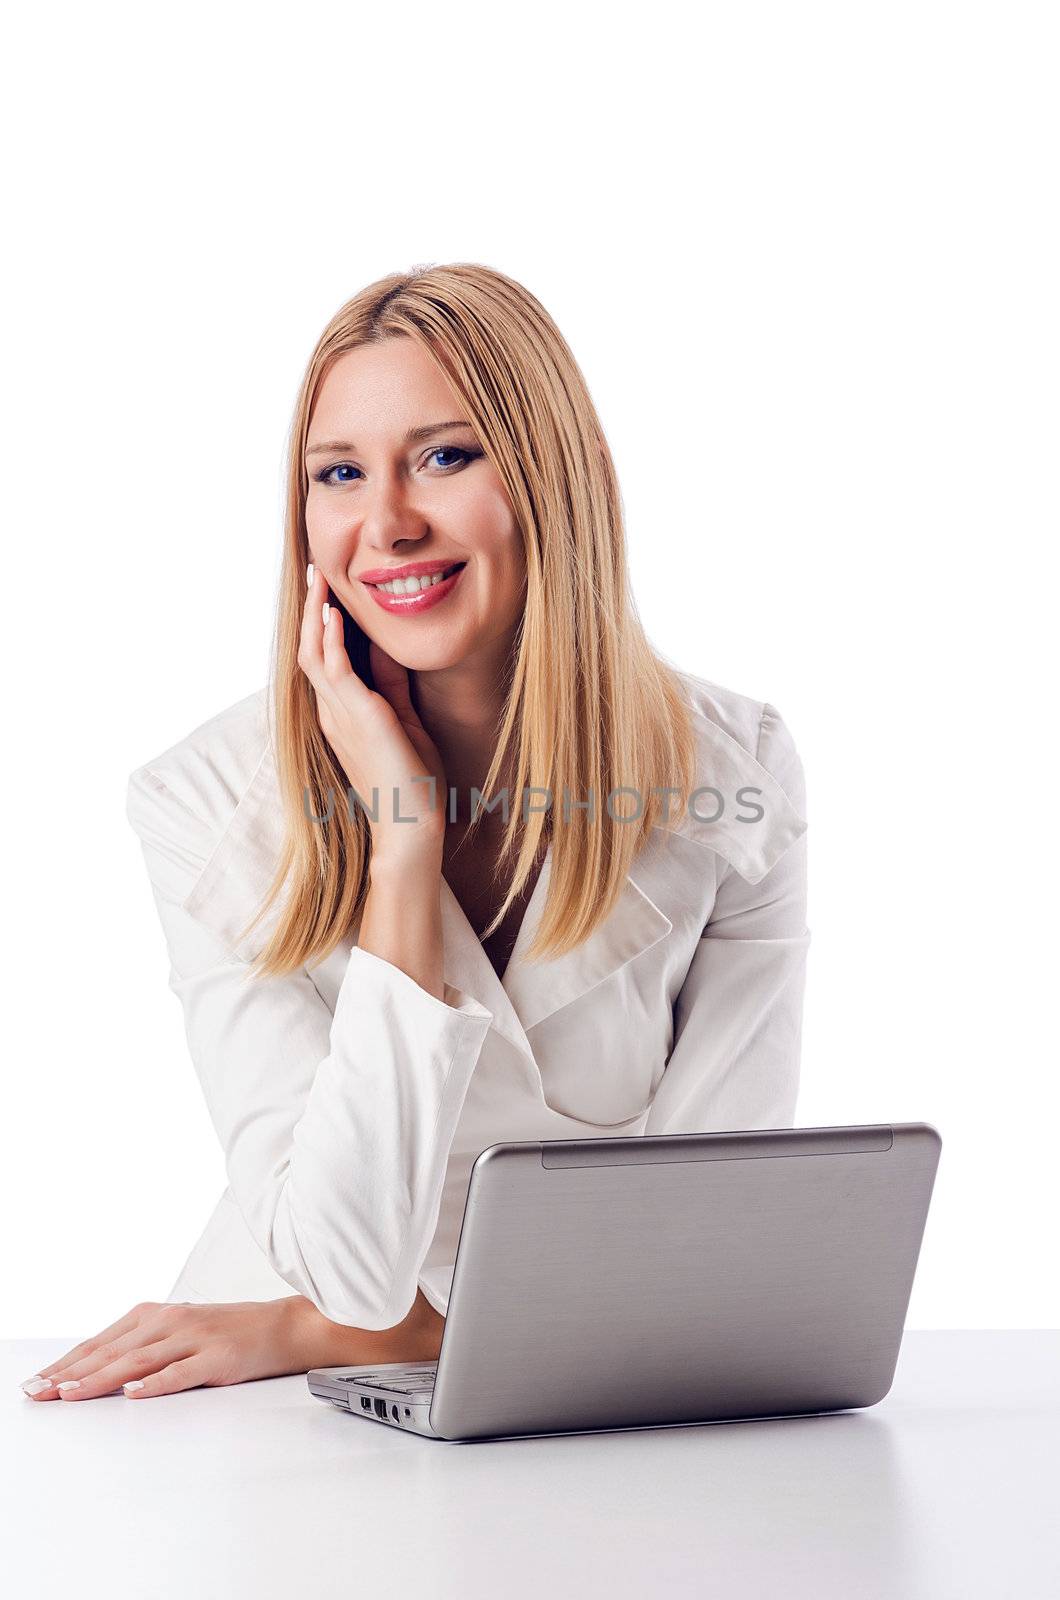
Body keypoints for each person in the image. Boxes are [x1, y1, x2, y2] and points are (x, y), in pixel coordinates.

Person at [21, 263, 809, 1404]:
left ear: (561, 477)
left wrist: (342, 1329)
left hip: (594, 1401)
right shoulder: (202, 803)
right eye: (339, 473)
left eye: (444, 456)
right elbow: (346, 1270)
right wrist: (402, 845)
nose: (385, 523)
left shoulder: (734, 775)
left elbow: (702, 1248)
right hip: (268, 1414)